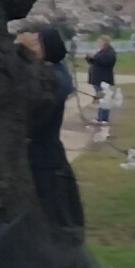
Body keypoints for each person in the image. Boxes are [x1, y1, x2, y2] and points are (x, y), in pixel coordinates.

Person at [18, 28, 85, 229]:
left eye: (37, 44)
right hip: (40, 154)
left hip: (44, 156)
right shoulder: (48, 73)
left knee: (53, 212)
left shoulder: (54, 78)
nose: (31, 48)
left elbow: (39, 114)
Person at [86, 35, 118, 137]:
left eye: (100, 42)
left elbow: (105, 62)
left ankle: (104, 119)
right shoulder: (102, 52)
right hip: (97, 78)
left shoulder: (110, 53)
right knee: (101, 99)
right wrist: (89, 58)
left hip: (103, 79)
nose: (98, 44)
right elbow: (95, 61)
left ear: (105, 42)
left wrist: (94, 59)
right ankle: (100, 118)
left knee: (104, 99)